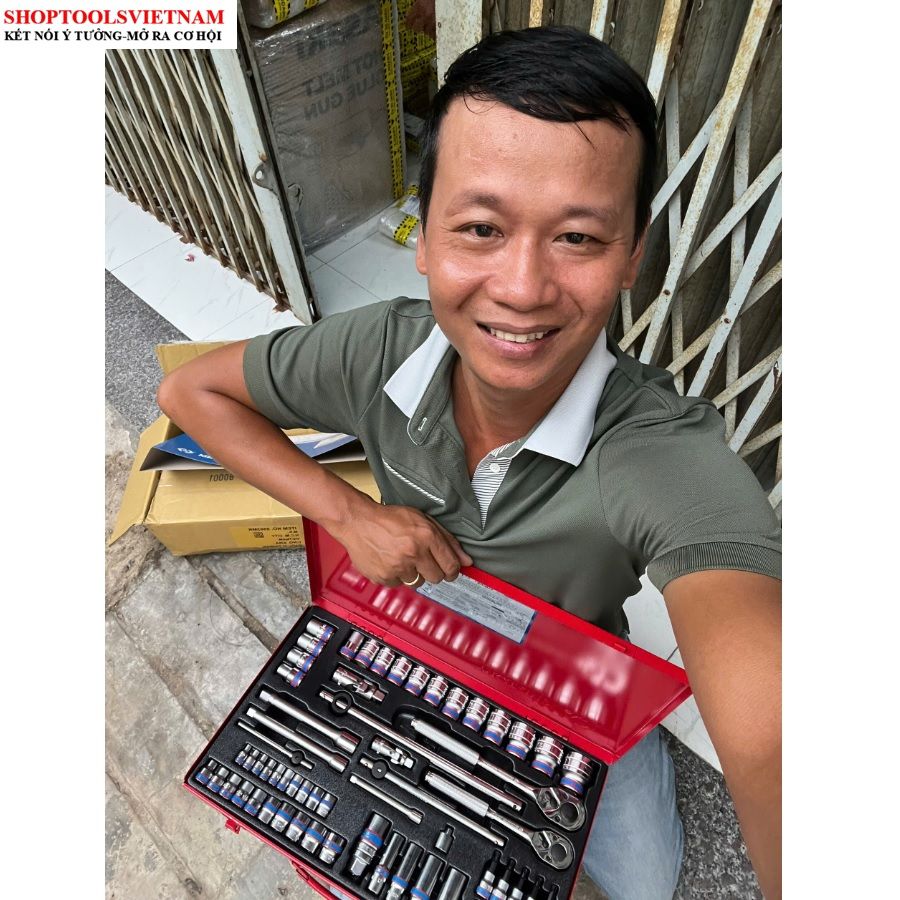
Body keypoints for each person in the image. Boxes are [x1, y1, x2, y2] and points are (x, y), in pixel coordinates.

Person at [158, 26, 781, 900]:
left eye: (578, 237)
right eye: (481, 227)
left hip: (576, 679)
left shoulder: (658, 452)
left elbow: (776, 742)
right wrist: (349, 514)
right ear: (424, 238)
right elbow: (190, 394)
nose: (522, 288)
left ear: (633, 255)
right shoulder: (375, 351)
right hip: (414, 636)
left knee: (646, 882)